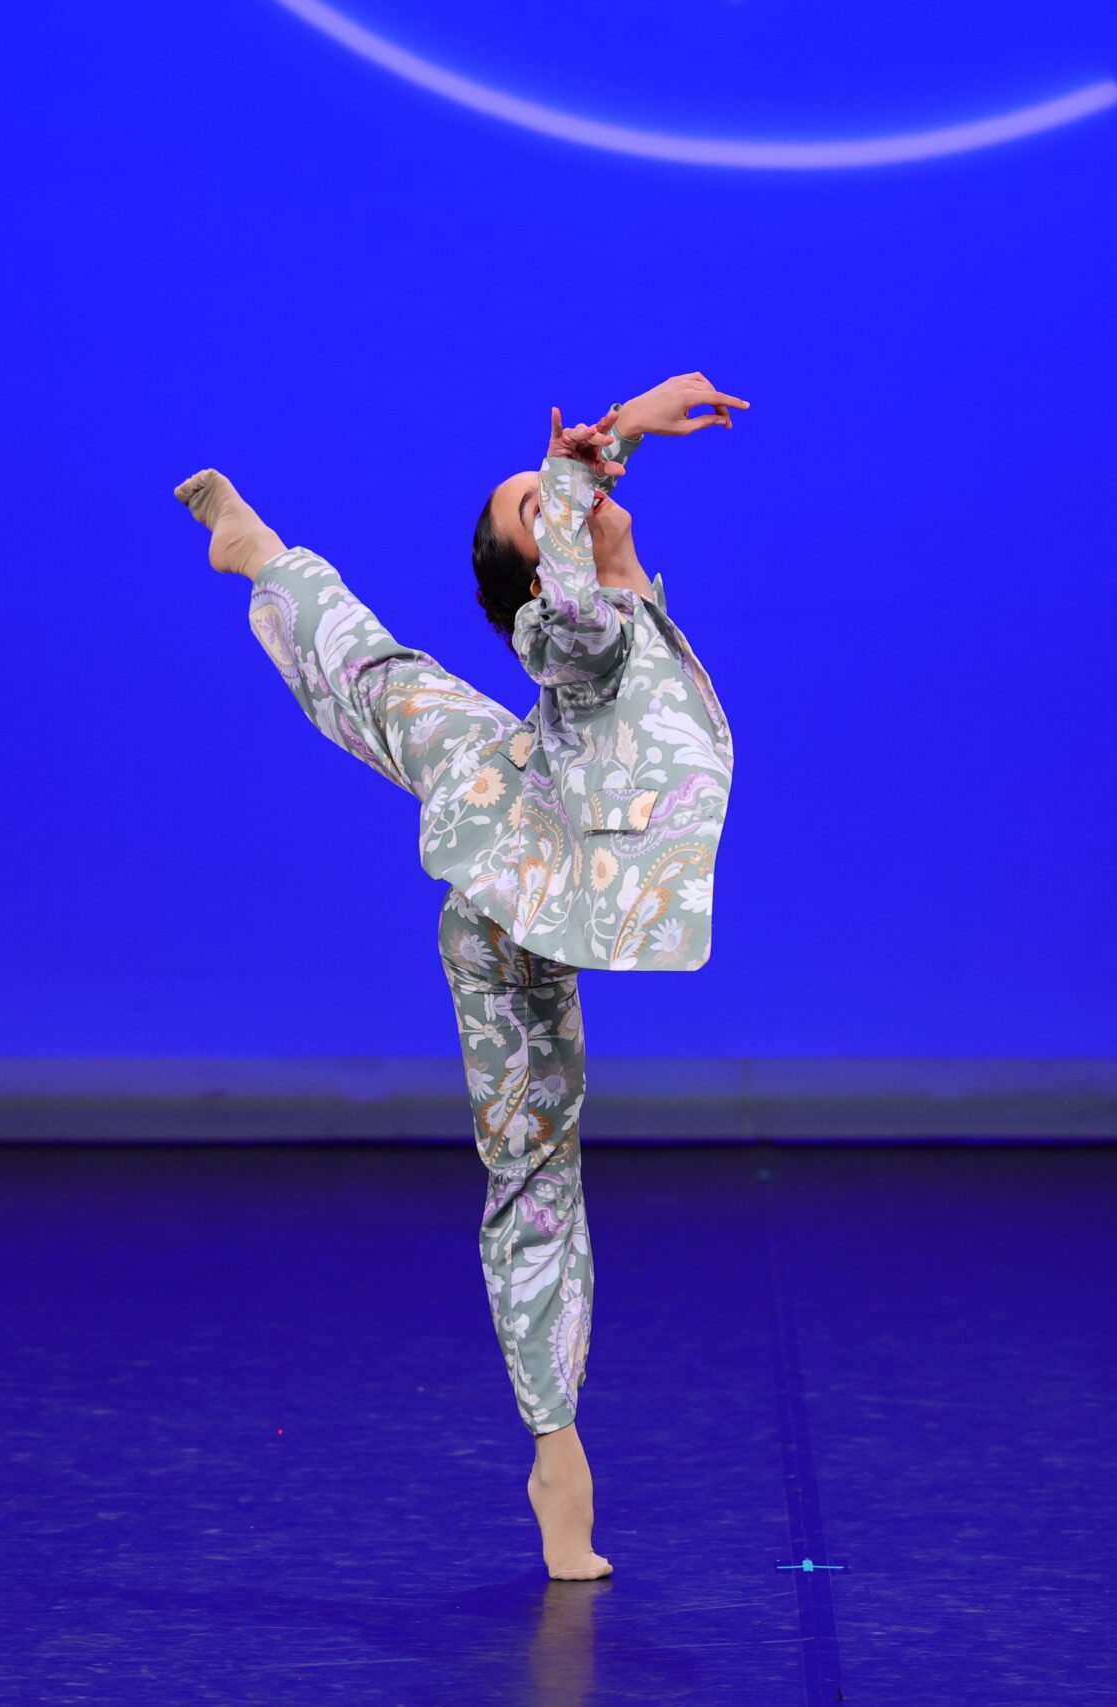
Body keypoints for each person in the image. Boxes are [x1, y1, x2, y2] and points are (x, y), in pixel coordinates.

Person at [173, 372, 747, 1579]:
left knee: (395, 691)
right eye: (537, 505)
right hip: (512, 899)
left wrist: (599, 458)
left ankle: (264, 559)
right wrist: (605, 444)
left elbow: (585, 587)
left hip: (527, 812)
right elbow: (571, 619)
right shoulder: (569, 630)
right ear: (537, 577)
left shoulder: (606, 613)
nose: (562, 496)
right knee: (533, 1174)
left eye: (550, 492)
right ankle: (556, 1449)